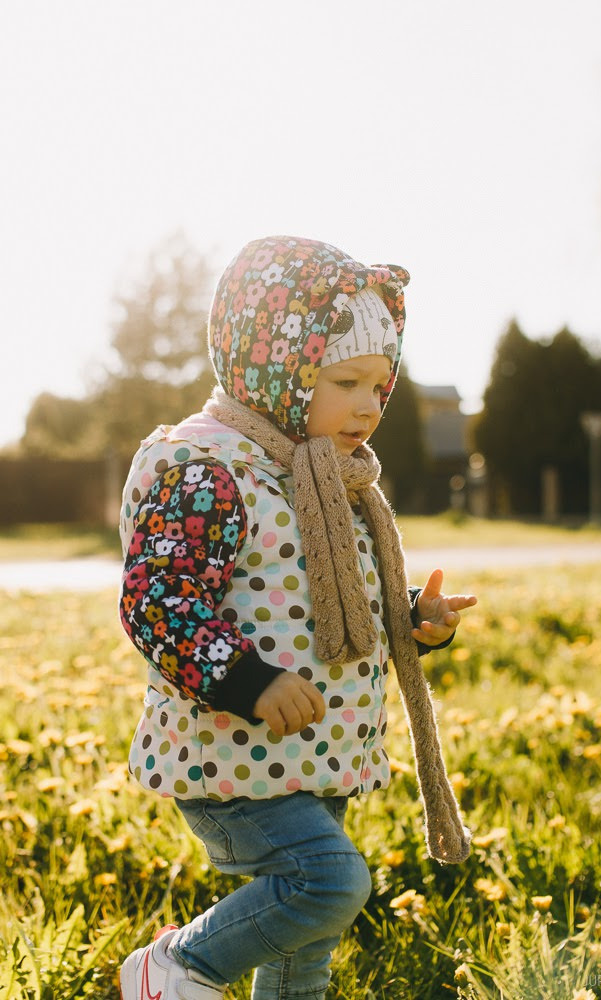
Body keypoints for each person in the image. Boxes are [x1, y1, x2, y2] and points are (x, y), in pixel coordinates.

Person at [118, 235, 477, 1000]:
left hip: (312, 751)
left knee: (303, 947)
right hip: (235, 754)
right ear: (275, 371)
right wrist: (245, 679)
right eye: (345, 380)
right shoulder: (211, 471)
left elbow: (320, 593)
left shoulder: (318, 475)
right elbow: (160, 601)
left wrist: (412, 618)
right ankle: (177, 967)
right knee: (326, 882)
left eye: (380, 386)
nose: (368, 405)